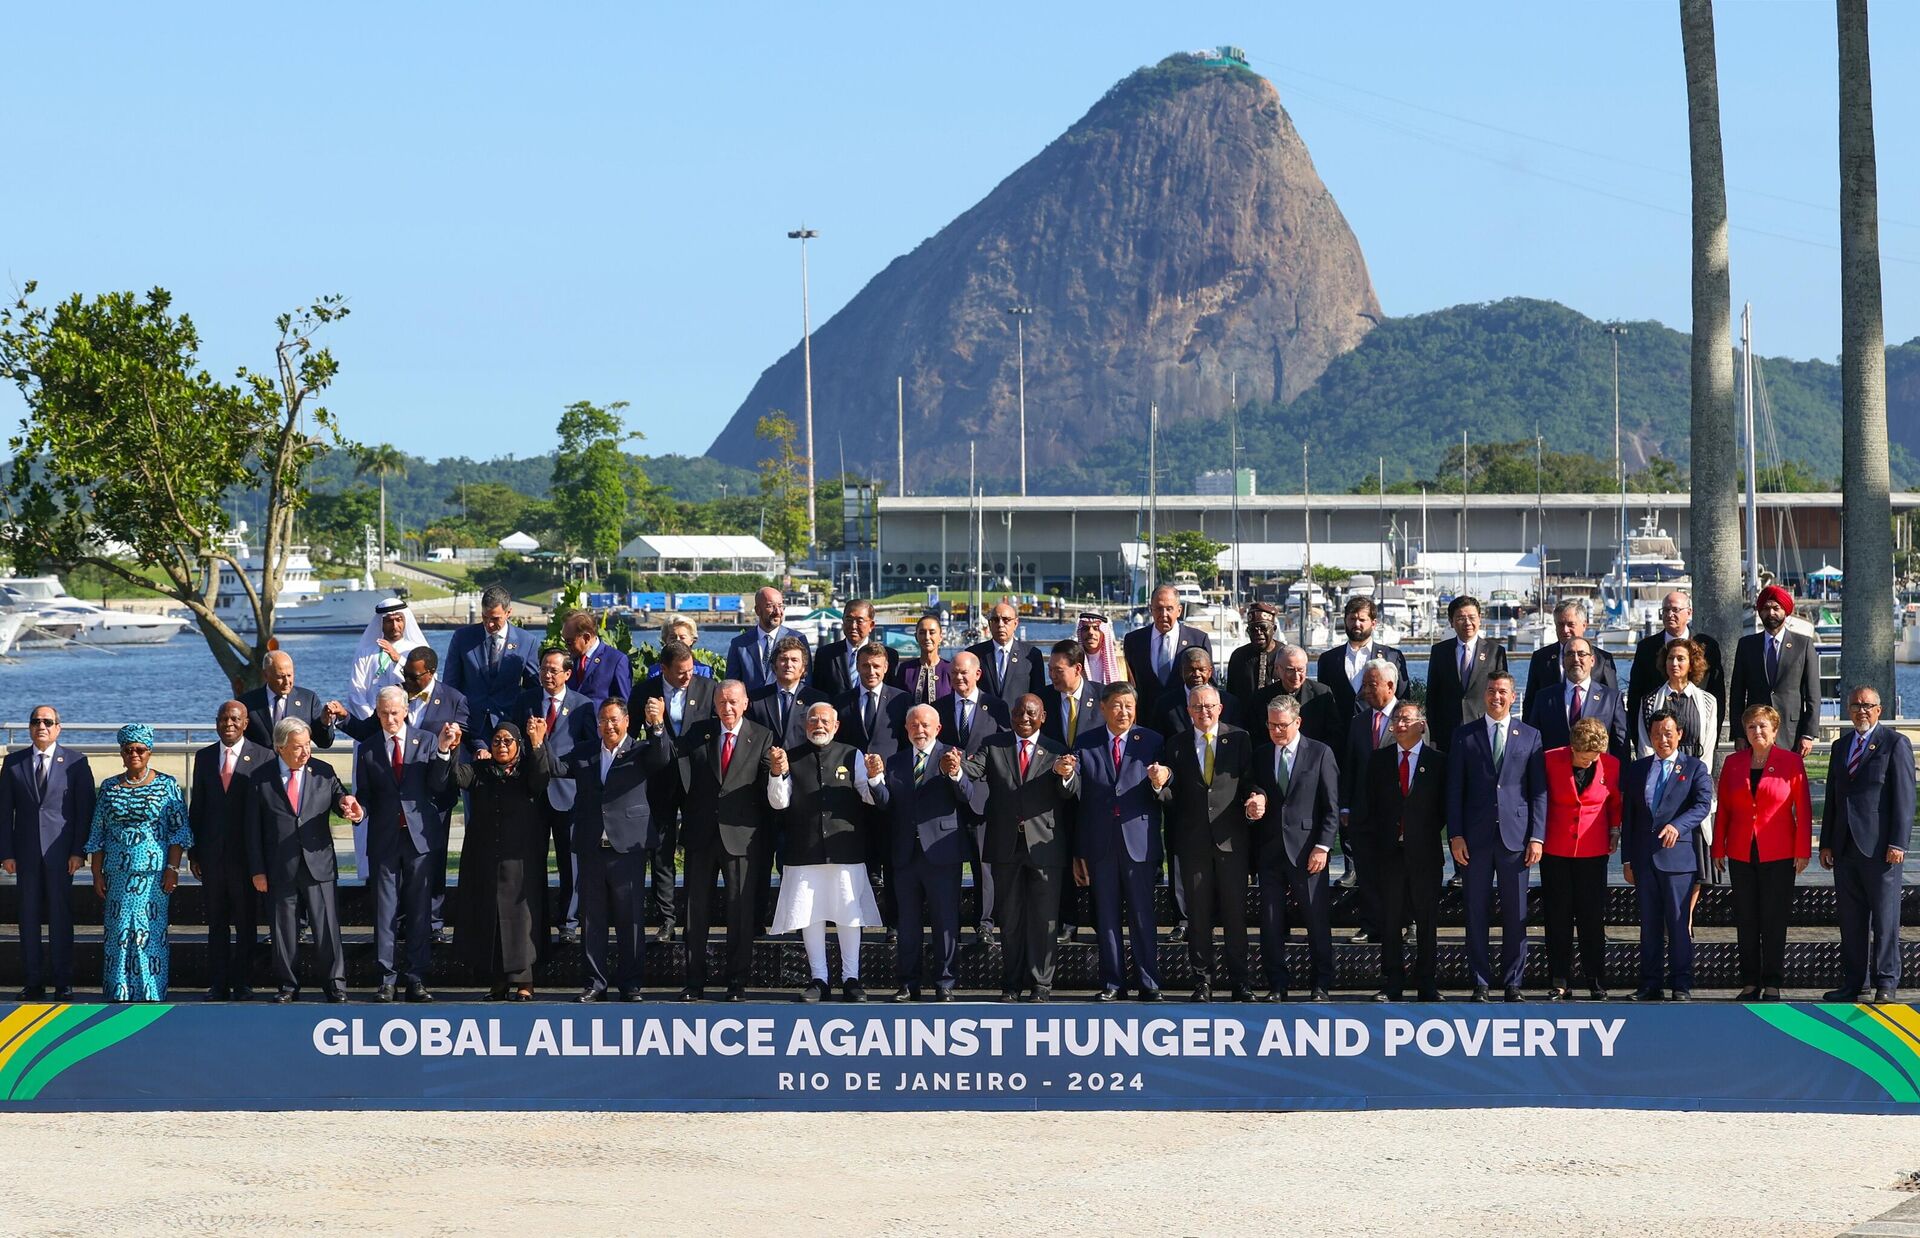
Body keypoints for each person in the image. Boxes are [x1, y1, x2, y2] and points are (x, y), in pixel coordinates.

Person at [345, 646, 471, 939]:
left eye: (414, 676)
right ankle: (403, 921)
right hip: (398, 795)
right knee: (397, 867)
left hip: (435, 795)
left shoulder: (454, 699)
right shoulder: (396, 696)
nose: (408, 681)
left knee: (432, 864)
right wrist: (343, 719)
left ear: (430, 673)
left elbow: (466, 736)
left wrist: (461, 745)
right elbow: (370, 730)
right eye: (406, 675)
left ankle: (434, 923)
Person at [769, 702, 883, 1002]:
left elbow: (870, 797)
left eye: (825, 721)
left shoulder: (852, 754)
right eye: (813, 720)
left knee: (848, 914)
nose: (819, 725)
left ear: (836, 726)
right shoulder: (791, 757)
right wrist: (776, 774)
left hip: (845, 849)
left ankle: (851, 978)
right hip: (804, 850)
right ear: (805, 725)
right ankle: (819, 978)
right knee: (810, 915)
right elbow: (779, 803)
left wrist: (874, 777)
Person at [870, 705, 984, 1000]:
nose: (919, 730)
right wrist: (874, 780)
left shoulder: (951, 755)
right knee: (907, 923)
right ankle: (908, 983)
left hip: (941, 851)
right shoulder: (894, 762)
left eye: (925, 725)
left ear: (937, 728)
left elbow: (968, 797)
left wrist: (956, 773)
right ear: (906, 729)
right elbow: (885, 804)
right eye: (913, 725)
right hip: (906, 855)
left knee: (946, 922)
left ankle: (945, 982)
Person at [351, 686, 458, 1002]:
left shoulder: (426, 741)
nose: (389, 719)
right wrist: (359, 810)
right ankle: (386, 979)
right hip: (384, 840)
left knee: (419, 910)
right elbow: (365, 796)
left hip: (419, 839)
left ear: (406, 711)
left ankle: (416, 978)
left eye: (394, 712)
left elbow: (438, 785)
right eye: (383, 713)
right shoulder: (368, 748)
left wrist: (443, 752)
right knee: (385, 912)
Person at [439, 719, 558, 1001]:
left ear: (518, 744)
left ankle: (525, 982)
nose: (501, 746)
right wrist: (452, 748)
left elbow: (541, 779)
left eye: (508, 741)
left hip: (521, 860)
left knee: (522, 920)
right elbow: (456, 777)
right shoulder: (482, 770)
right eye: (496, 741)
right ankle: (498, 982)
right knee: (492, 921)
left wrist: (537, 744)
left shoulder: (528, 769)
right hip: (486, 858)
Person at [1446, 671, 1548, 1002]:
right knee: (1475, 911)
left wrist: (1537, 837)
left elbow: (1538, 793)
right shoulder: (1465, 736)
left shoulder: (1530, 736)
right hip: (1474, 840)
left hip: (1516, 838)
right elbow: (1454, 791)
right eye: (1491, 691)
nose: (1497, 697)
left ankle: (1513, 982)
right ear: (1484, 695)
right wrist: (1456, 835)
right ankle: (1480, 981)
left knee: (1516, 913)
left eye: (1503, 691)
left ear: (1513, 696)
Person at [968, 694, 1077, 1001]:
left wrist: (1066, 776)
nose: (1024, 718)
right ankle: (1012, 983)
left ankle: (1041, 984)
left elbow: (1069, 793)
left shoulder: (1057, 750)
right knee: (1011, 919)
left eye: (1031, 713)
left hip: (1044, 847)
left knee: (1044, 920)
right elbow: (973, 770)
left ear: (1042, 716)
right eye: (1018, 712)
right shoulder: (994, 744)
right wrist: (954, 767)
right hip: (1005, 846)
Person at [246, 717, 363, 1003]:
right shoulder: (260, 778)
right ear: (280, 747)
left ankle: (335, 985)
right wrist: (257, 871)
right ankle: (288, 985)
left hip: (318, 863)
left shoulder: (324, 771)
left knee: (327, 928)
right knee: (283, 929)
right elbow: (252, 830)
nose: (305, 752)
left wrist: (352, 809)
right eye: (297, 747)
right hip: (278, 867)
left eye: (307, 745)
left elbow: (341, 800)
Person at [1071, 682, 1172, 1001]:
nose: (1123, 711)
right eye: (1116, 705)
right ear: (1103, 708)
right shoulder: (1086, 742)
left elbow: (1167, 793)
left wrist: (1160, 782)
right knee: (1107, 917)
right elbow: (1075, 797)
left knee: (1143, 916)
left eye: (1129, 705)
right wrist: (1064, 776)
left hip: (1138, 842)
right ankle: (1113, 983)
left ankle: (1149, 981)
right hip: (1100, 844)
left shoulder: (1152, 741)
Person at [675, 680, 776, 1001]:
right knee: (695, 912)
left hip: (742, 837)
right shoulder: (699, 733)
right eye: (722, 702)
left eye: (733, 702)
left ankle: (737, 981)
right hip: (701, 835)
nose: (727, 708)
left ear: (746, 703)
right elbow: (676, 766)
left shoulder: (761, 736)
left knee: (741, 912)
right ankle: (694, 981)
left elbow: (767, 789)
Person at [566, 698, 672, 1001]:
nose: (608, 725)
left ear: (626, 721)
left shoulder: (640, 749)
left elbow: (663, 757)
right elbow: (558, 766)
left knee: (631, 919)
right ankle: (595, 983)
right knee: (592, 921)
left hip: (627, 847)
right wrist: (537, 744)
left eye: (613, 719)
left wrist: (657, 725)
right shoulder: (586, 750)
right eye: (603, 720)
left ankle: (631, 983)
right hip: (591, 847)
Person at [1820, 687, 1915, 1004]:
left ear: (1879, 709)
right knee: (1851, 920)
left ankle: (1886, 982)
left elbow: (1904, 798)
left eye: (1868, 705)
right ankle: (1854, 983)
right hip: (1845, 847)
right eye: (1856, 705)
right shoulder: (1840, 746)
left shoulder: (1895, 743)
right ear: (1848, 709)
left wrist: (1898, 842)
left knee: (1886, 919)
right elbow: (1833, 798)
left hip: (1880, 849)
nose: (1861, 710)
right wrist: (1826, 843)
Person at [84, 724, 191, 1002]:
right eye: (128, 749)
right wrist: (96, 873)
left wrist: (172, 869)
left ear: (149, 752)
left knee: (150, 934)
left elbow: (178, 831)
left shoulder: (167, 785)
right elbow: (98, 832)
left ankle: (150, 992)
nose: (134, 754)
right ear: (121, 752)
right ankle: (118, 992)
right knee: (119, 933)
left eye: (140, 749)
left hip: (153, 874)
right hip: (118, 874)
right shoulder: (109, 787)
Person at [1244, 695, 1341, 1001]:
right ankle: (1277, 985)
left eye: (1282, 725)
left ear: (1297, 722)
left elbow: (1331, 808)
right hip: (1270, 852)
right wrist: (1253, 802)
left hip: (1307, 851)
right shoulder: (1260, 755)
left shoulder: (1320, 753)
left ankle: (1321, 983)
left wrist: (1323, 847)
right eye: (1271, 725)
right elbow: (1254, 789)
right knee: (1271, 922)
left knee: (1315, 920)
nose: (1276, 731)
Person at [1713, 704, 1813, 1001]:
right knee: (1746, 919)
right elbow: (1724, 811)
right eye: (1752, 727)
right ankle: (1749, 982)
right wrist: (1718, 847)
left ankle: (1771, 981)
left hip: (1779, 852)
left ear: (1775, 730)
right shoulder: (1733, 762)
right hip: (1741, 852)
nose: (1757, 732)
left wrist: (1802, 850)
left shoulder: (1791, 762)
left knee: (1773, 918)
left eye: (1763, 727)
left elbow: (1804, 810)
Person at [1352, 702, 1447, 1001]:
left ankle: (1426, 982)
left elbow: (1444, 809)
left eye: (1406, 719)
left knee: (1426, 920)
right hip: (1389, 854)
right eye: (1397, 719)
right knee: (1390, 920)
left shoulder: (1438, 762)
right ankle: (1392, 982)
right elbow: (1367, 807)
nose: (1400, 724)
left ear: (1422, 724)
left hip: (1425, 855)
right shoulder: (1378, 761)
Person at [1165, 685, 1254, 1002]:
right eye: (1197, 707)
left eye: (1209, 706)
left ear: (1220, 708)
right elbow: (1170, 798)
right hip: (1193, 844)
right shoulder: (1175, 745)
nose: (1204, 712)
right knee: (1198, 917)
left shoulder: (1239, 739)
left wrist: (1257, 797)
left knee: (1234, 916)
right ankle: (1202, 981)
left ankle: (1240, 981)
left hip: (1231, 842)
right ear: (1189, 710)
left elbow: (1250, 780)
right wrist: (1157, 785)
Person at [0, 705, 94, 1000]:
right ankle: (33, 981)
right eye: (35, 721)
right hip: (25, 855)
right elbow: (4, 813)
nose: (41, 725)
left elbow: (84, 811)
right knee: (28, 918)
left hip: (61, 854)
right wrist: (6, 853)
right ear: (30, 728)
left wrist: (79, 851)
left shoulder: (76, 763)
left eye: (47, 721)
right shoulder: (14, 763)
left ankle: (63, 981)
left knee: (60, 917)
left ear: (58, 728)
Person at [1621, 709, 1714, 1002]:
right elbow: (1630, 817)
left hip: (1678, 860)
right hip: (1645, 859)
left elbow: (1702, 805)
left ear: (1680, 735)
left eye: (1669, 733)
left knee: (1677, 923)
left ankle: (1681, 984)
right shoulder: (1638, 770)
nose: (1663, 739)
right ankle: (1650, 983)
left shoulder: (1695, 767)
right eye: (1658, 733)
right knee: (1649, 925)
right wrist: (1627, 859)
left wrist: (1678, 824)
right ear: (1650, 736)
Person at [631, 640, 717, 943]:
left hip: (699, 779)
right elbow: (632, 738)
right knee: (661, 852)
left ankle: (696, 916)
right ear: (664, 670)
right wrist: (655, 726)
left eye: (690, 670)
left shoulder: (708, 688)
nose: (687, 677)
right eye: (680, 673)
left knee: (696, 848)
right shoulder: (645, 691)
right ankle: (666, 918)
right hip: (662, 780)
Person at [188, 700, 273, 1000]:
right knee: (216, 923)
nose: (229, 724)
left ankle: (243, 982)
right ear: (216, 722)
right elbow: (197, 806)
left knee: (246, 923)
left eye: (235, 719)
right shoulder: (204, 757)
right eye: (223, 719)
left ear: (246, 723)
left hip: (247, 859)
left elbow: (267, 813)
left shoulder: (264, 757)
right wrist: (194, 852)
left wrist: (261, 859)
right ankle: (219, 983)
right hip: (212, 857)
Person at [517, 648, 597, 944]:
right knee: (532, 861)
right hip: (534, 793)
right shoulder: (526, 701)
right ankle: (535, 922)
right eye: (543, 669)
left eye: (553, 670)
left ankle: (569, 922)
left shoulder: (582, 706)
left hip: (568, 793)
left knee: (570, 862)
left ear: (567, 674)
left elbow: (589, 747)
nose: (547, 675)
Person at [1539, 717, 1622, 1001]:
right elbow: (1538, 801)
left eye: (1594, 757)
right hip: (1556, 850)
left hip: (1593, 850)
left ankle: (1595, 981)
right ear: (1572, 748)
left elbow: (1614, 802)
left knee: (1591, 919)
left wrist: (1614, 830)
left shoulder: (1610, 765)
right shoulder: (1550, 760)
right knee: (1558, 918)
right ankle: (1560, 980)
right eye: (1585, 757)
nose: (1590, 762)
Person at [937, 650, 1008, 937]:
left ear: (977, 674)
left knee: (984, 866)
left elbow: (1003, 751)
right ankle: (948, 921)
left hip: (983, 799)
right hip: (946, 799)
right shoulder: (938, 707)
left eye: (964, 672)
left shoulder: (997, 707)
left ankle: (985, 923)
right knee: (947, 866)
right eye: (953, 673)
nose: (958, 678)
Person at [1727, 585, 1820, 755]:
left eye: (1776, 608)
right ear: (1760, 612)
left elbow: (1813, 695)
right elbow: (1737, 693)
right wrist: (1739, 734)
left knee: (1787, 780)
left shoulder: (1803, 645)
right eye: (1766, 608)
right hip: (1755, 732)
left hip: (1791, 732)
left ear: (1785, 611)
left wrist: (1808, 734)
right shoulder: (1746, 645)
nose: (1771, 613)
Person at [1338, 659, 1402, 896]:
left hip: (1397, 812)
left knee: (1399, 871)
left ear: (1390, 686)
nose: (1365, 691)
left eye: (1371, 685)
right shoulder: (1359, 722)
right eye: (1364, 685)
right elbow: (1350, 766)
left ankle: (1408, 926)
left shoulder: (1409, 718)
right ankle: (1370, 926)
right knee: (1367, 872)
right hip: (1363, 813)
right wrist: (1344, 806)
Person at [442, 583, 542, 735]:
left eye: (495, 619)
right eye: (484, 617)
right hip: (468, 725)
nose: (489, 624)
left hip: (508, 724)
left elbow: (532, 689)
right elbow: (450, 684)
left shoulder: (527, 642)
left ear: (508, 613)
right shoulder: (462, 638)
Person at [1626, 590, 1726, 736]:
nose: (1669, 614)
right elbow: (1635, 696)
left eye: (1675, 610)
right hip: (1657, 738)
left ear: (1689, 613)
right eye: (1665, 610)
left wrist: (1712, 738)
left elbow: (1717, 694)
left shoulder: (1707, 647)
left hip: (1697, 735)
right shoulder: (1646, 648)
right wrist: (1639, 738)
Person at [1522, 636, 1629, 761]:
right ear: (1563, 660)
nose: (1576, 659)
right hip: (1554, 774)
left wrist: (1622, 777)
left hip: (1598, 775)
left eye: (1582, 654)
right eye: (1570, 654)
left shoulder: (1611, 698)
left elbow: (1621, 745)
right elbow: (1534, 743)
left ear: (1592, 660)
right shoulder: (1544, 698)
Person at [1122, 585, 1211, 719]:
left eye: (1169, 609)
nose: (1164, 614)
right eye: (1158, 608)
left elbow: (1209, 684)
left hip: (1184, 723)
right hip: (1146, 722)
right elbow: (1130, 682)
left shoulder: (1198, 639)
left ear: (1179, 610)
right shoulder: (1134, 641)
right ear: (1151, 609)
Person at [1424, 595, 1505, 743]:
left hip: (1484, 731)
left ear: (1479, 618)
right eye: (1461, 618)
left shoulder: (1495, 651)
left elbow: (1502, 695)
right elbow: (1432, 697)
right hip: (1448, 734)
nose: (1467, 622)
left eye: (1472, 617)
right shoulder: (1439, 652)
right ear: (1451, 622)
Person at [1522, 599, 1619, 721]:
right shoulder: (1541, 658)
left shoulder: (1603, 660)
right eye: (1560, 624)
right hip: (1552, 735)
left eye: (1570, 624)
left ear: (1584, 625)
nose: (1565, 630)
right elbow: (1530, 702)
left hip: (1593, 734)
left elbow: (1614, 703)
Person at [1317, 596, 1409, 723]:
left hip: (1379, 733)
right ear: (1345, 621)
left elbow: (1403, 700)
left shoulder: (1392, 657)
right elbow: (1323, 702)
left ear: (1373, 623)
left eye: (1362, 619)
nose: (1356, 624)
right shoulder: (1328, 659)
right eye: (1352, 619)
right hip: (1338, 735)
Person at [1633, 636, 1721, 765]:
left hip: (1694, 772)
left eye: (1680, 659)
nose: (1674, 663)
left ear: (1691, 664)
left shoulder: (1708, 701)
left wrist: (1700, 777)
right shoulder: (1649, 701)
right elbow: (1645, 746)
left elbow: (1708, 747)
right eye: (1670, 658)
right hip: (1660, 773)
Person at [241, 651, 340, 751]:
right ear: (265, 675)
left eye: (289, 675)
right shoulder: (248, 702)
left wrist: (325, 723)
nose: (287, 682)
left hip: (296, 764)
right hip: (260, 764)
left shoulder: (308, 699)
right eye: (280, 677)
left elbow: (324, 743)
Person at [347, 597, 425, 719]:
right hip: (371, 724)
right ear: (381, 623)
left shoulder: (418, 651)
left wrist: (399, 660)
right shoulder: (365, 653)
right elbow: (355, 693)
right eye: (389, 621)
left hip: (408, 722)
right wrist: (374, 720)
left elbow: (426, 686)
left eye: (399, 620)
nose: (395, 626)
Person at [746, 634, 828, 748]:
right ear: (774, 665)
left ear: (803, 667)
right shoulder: (756, 699)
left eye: (794, 660)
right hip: (767, 763)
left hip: (804, 763)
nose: (789, 665)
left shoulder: (817, 700)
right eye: (783, 659)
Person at [725, 586, 809, 692]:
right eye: (770, 606)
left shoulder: (798, 639)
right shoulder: (739, 644)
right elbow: (732, 684)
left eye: (781, 606)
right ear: (757, 610)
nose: (778, 611)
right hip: (751, 706)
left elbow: (806, 680)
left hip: (785, 705)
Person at [810, 598, 896, 697]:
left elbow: (891, 693)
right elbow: (817, 692)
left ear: (871, 625)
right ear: (843, 621)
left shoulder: (888, 655)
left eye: (859, 621)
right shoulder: (826, 654)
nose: (853, 626)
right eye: (849, 620)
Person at [969, 598, 1046, 704]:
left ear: (1015, 623)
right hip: (984, 718)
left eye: (1006, 620)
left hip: (1017, 718)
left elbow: (1038, 695)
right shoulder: (974, 654)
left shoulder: (1031, 655)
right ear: (989, 624)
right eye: (995, 620)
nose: (1000, 624)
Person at [1151, 646, 1237, 738]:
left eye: (1201, 670)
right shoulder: (1165, 704)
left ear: (1210, 671)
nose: (1196, 674)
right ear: (1181, 671)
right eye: (1190, 670)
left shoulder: (1229, 702)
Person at [1271, 644, 1340, 749]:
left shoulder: (1322, 694)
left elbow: (1334, 735)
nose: (1296, 676)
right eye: (1290, 670)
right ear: (1277, 668)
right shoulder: (1263, 698)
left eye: (1301, 670)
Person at [564, 610, 634, 708]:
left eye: (569, 642)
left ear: (586, 637)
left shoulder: (616, 660)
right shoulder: (569, 660)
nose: (566, 646)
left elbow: (624, 704)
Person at [1040, 639, 1103, 749]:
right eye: (1050, 669)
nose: (1052, 676)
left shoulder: (1102, 696)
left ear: (1077, 669)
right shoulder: (1042, 698)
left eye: (1059, 671)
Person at [1224, 602, 1283, 713]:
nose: (1258, 633)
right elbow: (1231, 695)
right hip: (1245, 723)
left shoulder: (1285, 654)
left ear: (1273, 629)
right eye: (1253, 629)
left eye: (1263, 628)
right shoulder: (1238, 657)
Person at [895, 612, 953, 704]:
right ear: (916, 637)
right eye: (922, 633)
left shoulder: (950, 669)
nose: (927, 637)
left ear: (941, 637)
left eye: (932, 632)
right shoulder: (906, 669)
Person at [1074, 611, 1127, 685]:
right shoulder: (1073, 663)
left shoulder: (1120, 664)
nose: (1090, 632)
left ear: (1104, 633)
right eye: (1086, 628)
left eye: (1096, 628)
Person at [648, 616, 713, 676]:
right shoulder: (655, 672)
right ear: (665, 640)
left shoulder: (703, 671)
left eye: (682, 637)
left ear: (692, 640)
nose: (677, 641)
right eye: (672, 637)